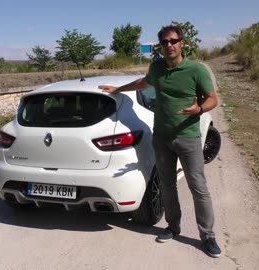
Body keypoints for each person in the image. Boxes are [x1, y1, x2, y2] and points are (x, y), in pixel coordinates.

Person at [98, 25, 221, 258]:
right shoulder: (156, 68)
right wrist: (118, 89)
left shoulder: (196, 70)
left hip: (188, 138)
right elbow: (143, 83)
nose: (169, 45)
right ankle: (173, 227)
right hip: (161, 138)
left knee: (199, 188)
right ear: (160, 46)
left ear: (182, 43)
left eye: (173, 41)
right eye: (165, 42)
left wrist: (199, 109)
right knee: (167, 185)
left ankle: (208, 236)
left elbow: (213, 99)